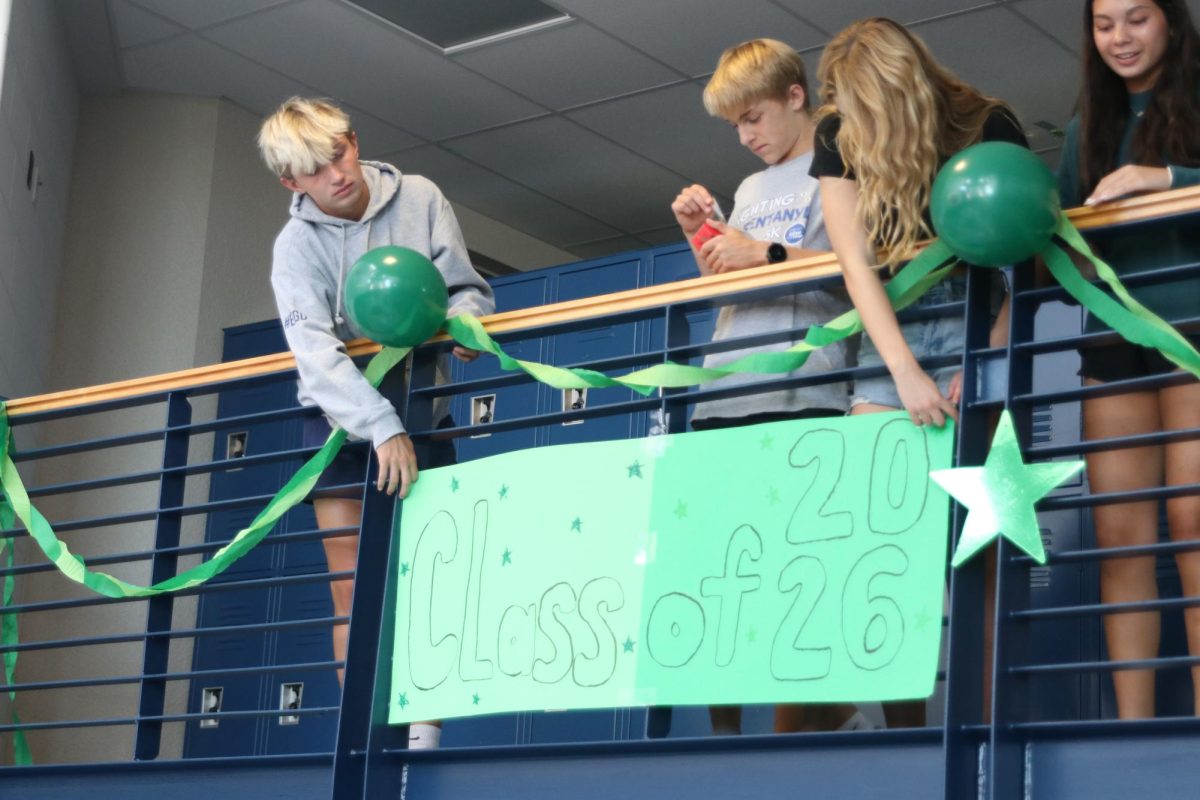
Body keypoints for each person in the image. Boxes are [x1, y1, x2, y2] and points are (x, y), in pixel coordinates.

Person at [257, 96, 495, 748]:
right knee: (355, 592)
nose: (336, 174)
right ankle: (370, 736)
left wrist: (469, 320)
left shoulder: (419, 197)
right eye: (314, 169)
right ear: (291, 183)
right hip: (341, 429)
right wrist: (379, 423)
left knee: (433, 582)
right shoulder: (295, 246)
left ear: (354, 142)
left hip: (426, 412)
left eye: (339, 154)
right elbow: (314, 352)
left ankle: (423, 739)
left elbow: (463, 286)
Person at [809, 18, 1027, 725]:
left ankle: (986, 729)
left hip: (974, 314)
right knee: (885, 550)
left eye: (860, 109)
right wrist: (900, 370)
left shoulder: (987, 126)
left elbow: (1028, 259)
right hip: (888, 337)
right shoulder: (835, 135)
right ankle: (903, 740)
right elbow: (854, 265)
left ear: (898, 94)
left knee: (977, 551)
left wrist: (989, 355)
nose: (848, 127)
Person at [671, 38, 863, 735]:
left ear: (794, 96)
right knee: (719, 575)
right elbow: (734, 286)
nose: (748, 136)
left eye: (754, 117)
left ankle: (803, 735)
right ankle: (727, 743)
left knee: (793, 580)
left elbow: (861, 272)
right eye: (735, 127)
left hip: (806, 393)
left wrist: (767, 252)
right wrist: (706, 238)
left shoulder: (842, 166)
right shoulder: (750, 190)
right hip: (726, 393)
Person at [1056, 0, 1200, 719]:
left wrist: (1163, 179)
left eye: (1137, 18)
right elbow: (1051, 234)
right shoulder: (1087, 124)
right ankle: (1132, 733)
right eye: (1104, 22)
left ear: (1172, 18)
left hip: (1192, 327)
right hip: (1112, 337)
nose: (1120, 37)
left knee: (1195, 523)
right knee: (1118, 534)